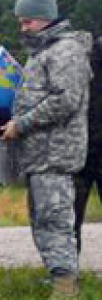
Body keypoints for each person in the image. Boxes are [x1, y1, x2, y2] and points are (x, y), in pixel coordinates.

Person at [0, 0, 92, 298]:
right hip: (39, 155)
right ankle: (57, 275)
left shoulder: (65, 51)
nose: (22, 28)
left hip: (56, 153)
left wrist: (21, 123)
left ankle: (66, 285)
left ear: (45, 19)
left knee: (55, 221)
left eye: (27, 22)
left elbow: (66, 100)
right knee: (42, 220)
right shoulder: (41, 54)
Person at [76, 35, 102, 254]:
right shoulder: (83, 54)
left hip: (85, 145)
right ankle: (68, 271)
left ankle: (68, 271)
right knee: (70, 218)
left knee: (70, 218)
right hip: (81, 149)